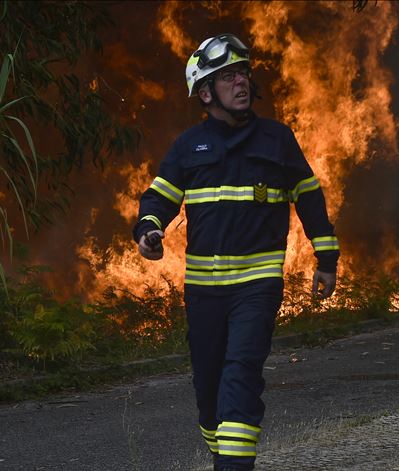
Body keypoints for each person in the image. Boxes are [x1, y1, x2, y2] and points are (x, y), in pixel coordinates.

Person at [132, 33, 340, 471]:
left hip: (256, 288)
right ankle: (221, 454)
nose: (241, 82)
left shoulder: (277, 140)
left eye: (243, 72)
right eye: (228, 76)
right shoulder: (189, 146)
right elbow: (158, 199)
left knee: (240, 378)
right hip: (204, 292)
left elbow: (309, 197)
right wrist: (149, 230)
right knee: (208, 395)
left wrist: (326, 259)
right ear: (205, 92)